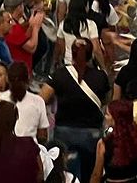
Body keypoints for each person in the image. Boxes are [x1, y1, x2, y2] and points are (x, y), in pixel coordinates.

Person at [42, 39, 109, 182]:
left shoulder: (60, 74)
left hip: (64, 132)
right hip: (92, 133)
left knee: (65, 173)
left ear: (71, 54)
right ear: (91, 56)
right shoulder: (101, 77)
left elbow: (42, 98)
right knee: (90, 173)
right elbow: (105, 102)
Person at [0, 61, 48, 141]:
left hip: (3, 150)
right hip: (28, 150)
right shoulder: (38, 101)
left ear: (8, 79)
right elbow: (42, 135)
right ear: (28, 80)